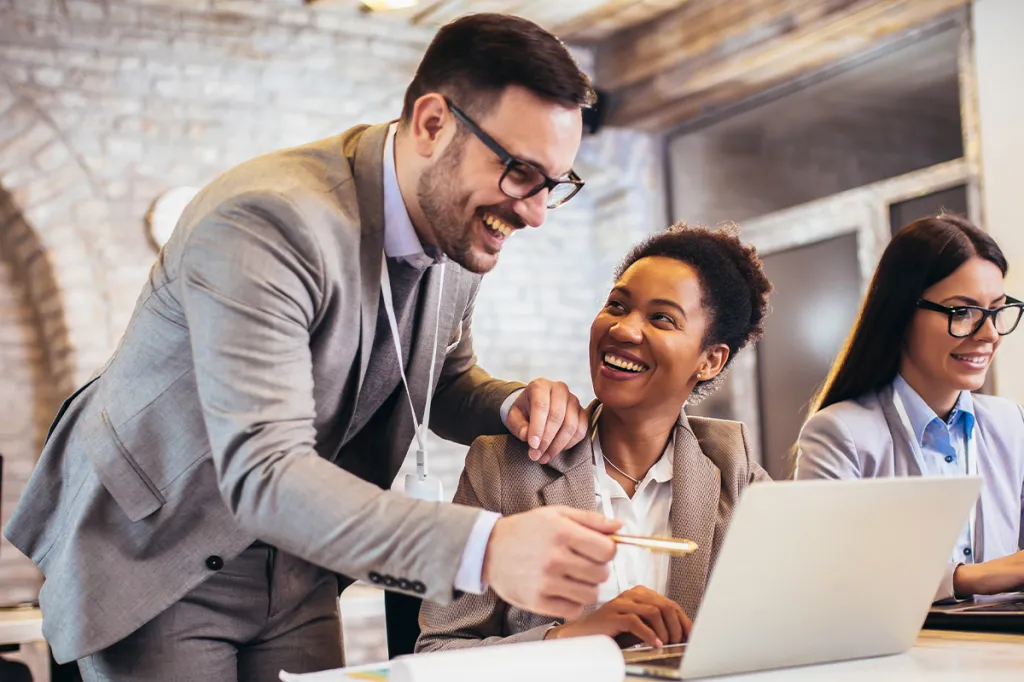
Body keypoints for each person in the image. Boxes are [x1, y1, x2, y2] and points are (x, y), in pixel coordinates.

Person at [4, 14, 624, 680]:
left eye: (553, 184)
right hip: (161, 548)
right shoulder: (267, 219)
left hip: (299, 558)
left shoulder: (456, 231)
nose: (534, 212)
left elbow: (440, 379)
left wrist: (510, 405)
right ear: (432, 124)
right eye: (519, 172)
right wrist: (488, 549)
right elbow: (264, 473)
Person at [416, 223, 773, 652]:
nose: (623, 329)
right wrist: (568, 638)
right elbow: (437, 652)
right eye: (617, 306)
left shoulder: (736, 475)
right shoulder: (505, 468)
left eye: (661, 318)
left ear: (710, 361)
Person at [795, 214, 1024, 602]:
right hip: (899, 643)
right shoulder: (839, 434)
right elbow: (825, 577)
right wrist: (967, 578)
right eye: (962, 312)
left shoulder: (1010, 423)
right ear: (901, 314)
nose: (989, 334)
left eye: (996, 310)